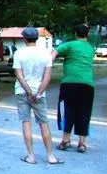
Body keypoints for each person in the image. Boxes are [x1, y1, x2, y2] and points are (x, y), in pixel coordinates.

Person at [13, 27, 63, 165]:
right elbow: (47, 77)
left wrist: (29, 92)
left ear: (24, 39)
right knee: (43, 123)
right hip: (39, 93)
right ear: (37, 38)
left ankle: (31, 156)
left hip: (22, 91)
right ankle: (50, 156)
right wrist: (38, 93)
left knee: (26, 123)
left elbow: (19, 75)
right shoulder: (45, 54)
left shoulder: (19, 53)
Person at [51, 23, 95, 153]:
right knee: (84, 112)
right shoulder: (90, 48)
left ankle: (66, 140)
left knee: (67, 110)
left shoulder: (69, 45)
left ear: (75, 33)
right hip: (87, 84)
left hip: (69, 83)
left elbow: (53, 53)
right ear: (87, 35)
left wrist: (48, 66)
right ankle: (82, 143)